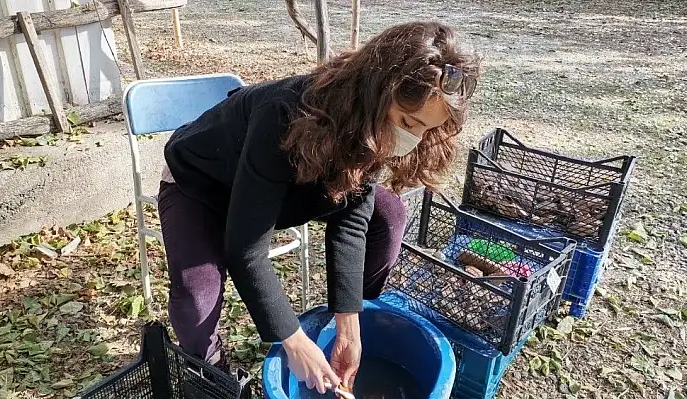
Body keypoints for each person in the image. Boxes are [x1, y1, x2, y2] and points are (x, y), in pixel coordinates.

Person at [157, 20, 480, 394]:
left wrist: (350, 320)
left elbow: (351, 222)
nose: (413, 138)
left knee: (389, 214)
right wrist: (293, 340)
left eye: (426, 129)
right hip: (204, 182)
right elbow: (247, 249)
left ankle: (364, 314)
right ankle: (209, 374)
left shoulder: (372, 129)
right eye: (408, 122)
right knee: (196, 291)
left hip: (285, 189)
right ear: (375, 94)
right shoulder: (285, 114)